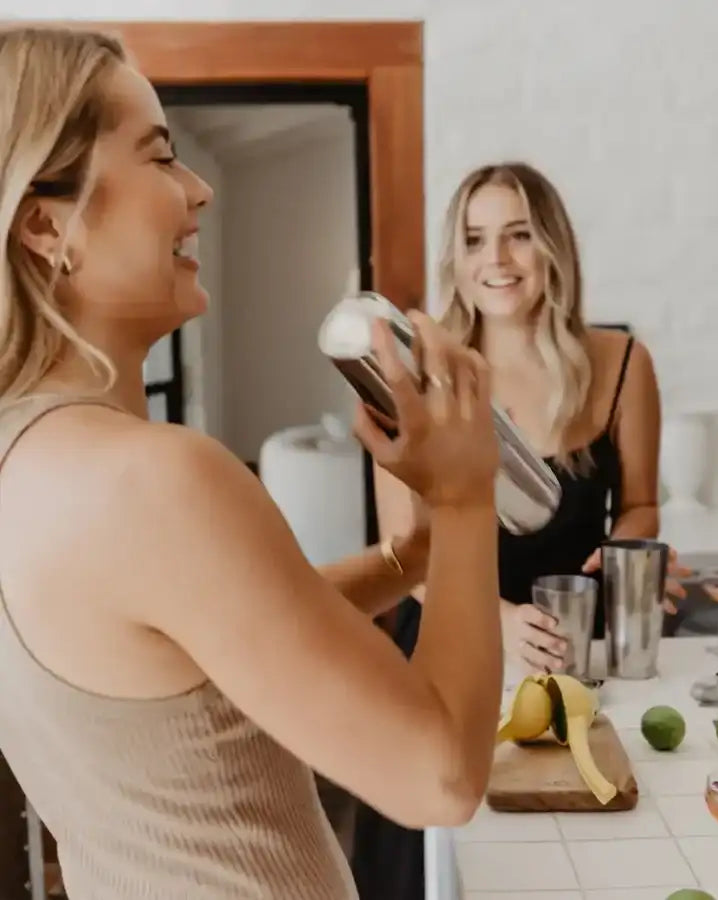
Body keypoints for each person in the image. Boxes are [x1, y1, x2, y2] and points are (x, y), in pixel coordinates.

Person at [0, 26, 506, 900]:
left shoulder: (28, 456)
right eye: (159, 158)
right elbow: (440, 779)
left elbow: (217, 648)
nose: (197, 188)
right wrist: (465, 500)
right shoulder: (154, 479)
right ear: (47, 225)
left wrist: (411, 557)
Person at [353, 161, 688, 899]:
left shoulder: (624, 364)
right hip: (440, 659)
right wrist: (495, 622)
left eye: (517, 237)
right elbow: (407, 558)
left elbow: (640, 507)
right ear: (456, 256)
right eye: (474, 240)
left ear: (554, 250)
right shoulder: (413, 378)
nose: (495, 261)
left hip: (574, 661)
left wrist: (634, 555)